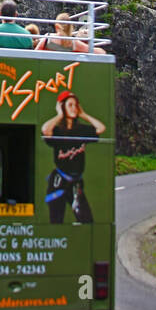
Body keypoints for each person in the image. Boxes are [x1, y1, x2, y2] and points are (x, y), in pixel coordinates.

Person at [40, 91, 105, 224]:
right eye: (70, 105)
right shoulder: (57, 131)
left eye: (75, 105)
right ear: (62, 107)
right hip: (59, 181)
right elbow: (45, 130)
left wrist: (83, 114)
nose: (74, 108)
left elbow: (100, 128)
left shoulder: (81, 130)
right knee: (56, 221)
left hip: (76, 182)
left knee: (87, 220)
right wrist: (59, 115)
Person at [35, 12, 104, 54]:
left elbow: (34, 54)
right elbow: (101, 52)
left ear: (56, 26)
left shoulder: (48, 38)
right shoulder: (74, 43)